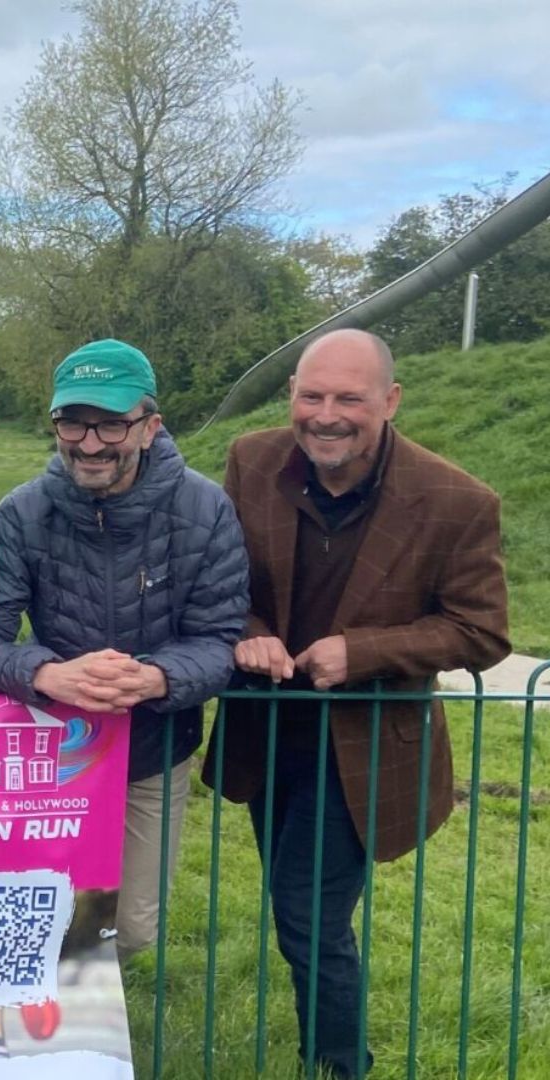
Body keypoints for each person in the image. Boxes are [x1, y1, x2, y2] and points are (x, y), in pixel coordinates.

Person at [206, 328, 508, 1078]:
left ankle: (342, 1063)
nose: (327, 415)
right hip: (268, 730)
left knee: (306, 908)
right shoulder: (251, 460)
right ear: (292, 397)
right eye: (312, 395)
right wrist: (250, 634)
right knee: (296, 901)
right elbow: (215, 584)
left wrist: (363, 652)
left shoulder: (457, 501)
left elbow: (482, 629)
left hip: (368, 746)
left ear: (390, 401)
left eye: (350, 398)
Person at [0, 339, 248, 967]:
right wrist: (46, 673)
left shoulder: (206, 510)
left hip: (152, 749)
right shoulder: (20, 514)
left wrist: (155, 679)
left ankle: (93, 1030)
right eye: (72, 421)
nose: (89, 443)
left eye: (111, 424)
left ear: (150, 427)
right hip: (47, 755)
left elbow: (218, 640)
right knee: (31, 911)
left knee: (132, 929)